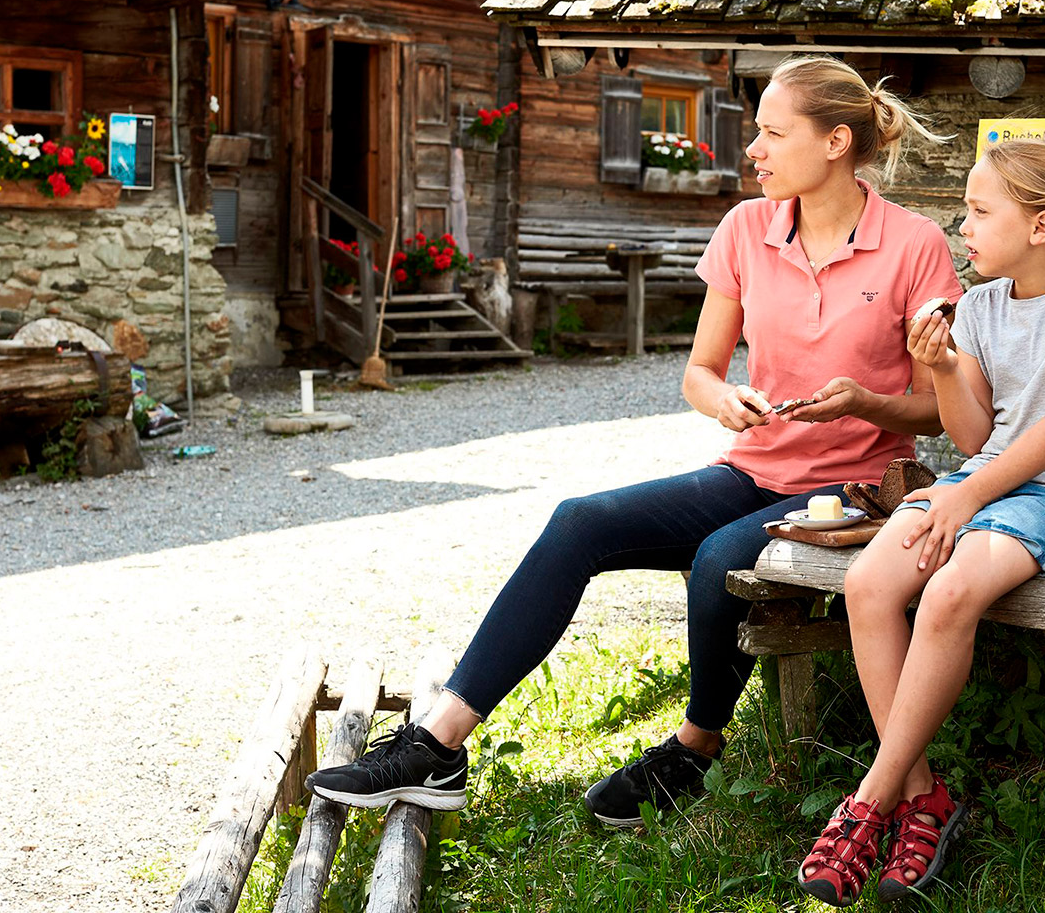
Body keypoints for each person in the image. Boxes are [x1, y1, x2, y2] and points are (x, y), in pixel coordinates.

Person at [306, 55, 964, 828]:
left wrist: (866, 402)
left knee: (718, 559)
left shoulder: (913, 244)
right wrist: (726, 401)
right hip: (753, 470)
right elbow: (700, 373)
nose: (752, 148)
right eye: (756, 132)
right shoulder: (746, 229)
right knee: (578, 521)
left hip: (850, 492)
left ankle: (696, 745)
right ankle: (438, 745)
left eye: (773, 134)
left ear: (835, 142)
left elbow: (938, 412)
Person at [794, 133, 1045, 905]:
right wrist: (944, 366)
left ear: (1042, 225)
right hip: (985, 483)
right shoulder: (980, 306)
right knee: (869, 583)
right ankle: (923, 795)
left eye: (981, 212)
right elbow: (974, 436)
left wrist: (967, 496)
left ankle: (869, 800)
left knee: (951, 591)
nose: (964, 227)